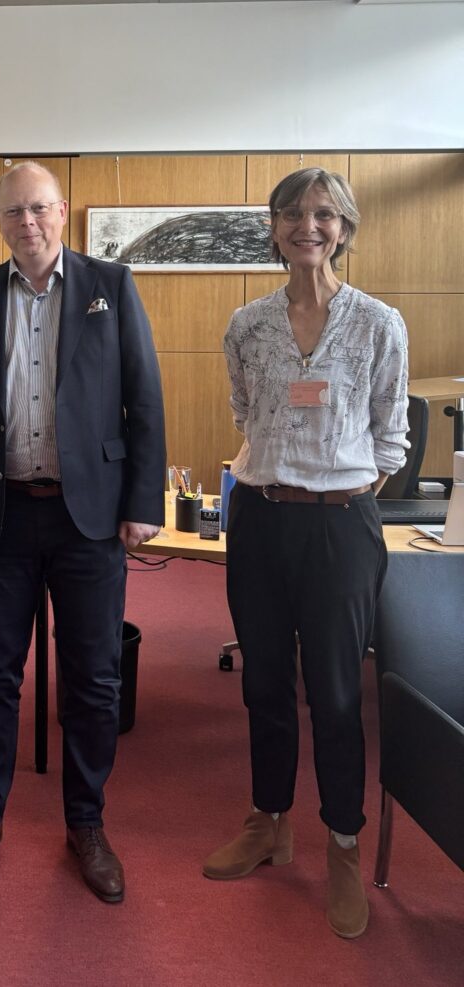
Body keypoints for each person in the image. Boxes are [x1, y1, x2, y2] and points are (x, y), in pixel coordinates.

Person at [0, 162, 166, 903]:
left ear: (61, 212)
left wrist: (143, 500)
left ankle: (87, 823)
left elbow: (144, 399)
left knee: (94, 679)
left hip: (87, 517)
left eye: (39, 208)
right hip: (3, 513)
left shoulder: (110, 286)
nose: (27, 222)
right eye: (13, 212)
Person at [203, 167, 409, 940]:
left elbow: (391, 433)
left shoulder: (379, 323)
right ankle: (270, 820)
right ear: (274, 227)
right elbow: (243, 411)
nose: (306, 226)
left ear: (344, 228)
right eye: (292, 213)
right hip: (258, 516)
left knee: (336, 692)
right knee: (263, 681)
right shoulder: (246, 324)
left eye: (323, 214)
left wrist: (338, 490)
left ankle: (344, 842)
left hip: (340, 525)